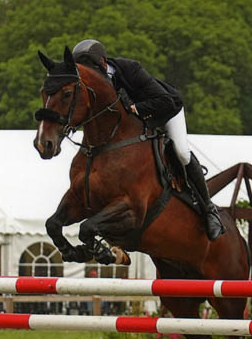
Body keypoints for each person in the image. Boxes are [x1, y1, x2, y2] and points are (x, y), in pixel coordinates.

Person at [71, 39, 225, 241]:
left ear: (101, 62)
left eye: (89, 69)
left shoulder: (129, 69)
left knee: (180, 152)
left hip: (166, 109)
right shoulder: (95, 85)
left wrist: (136, 108)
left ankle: (208, 210)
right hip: (136, 121)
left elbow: (164, 101)